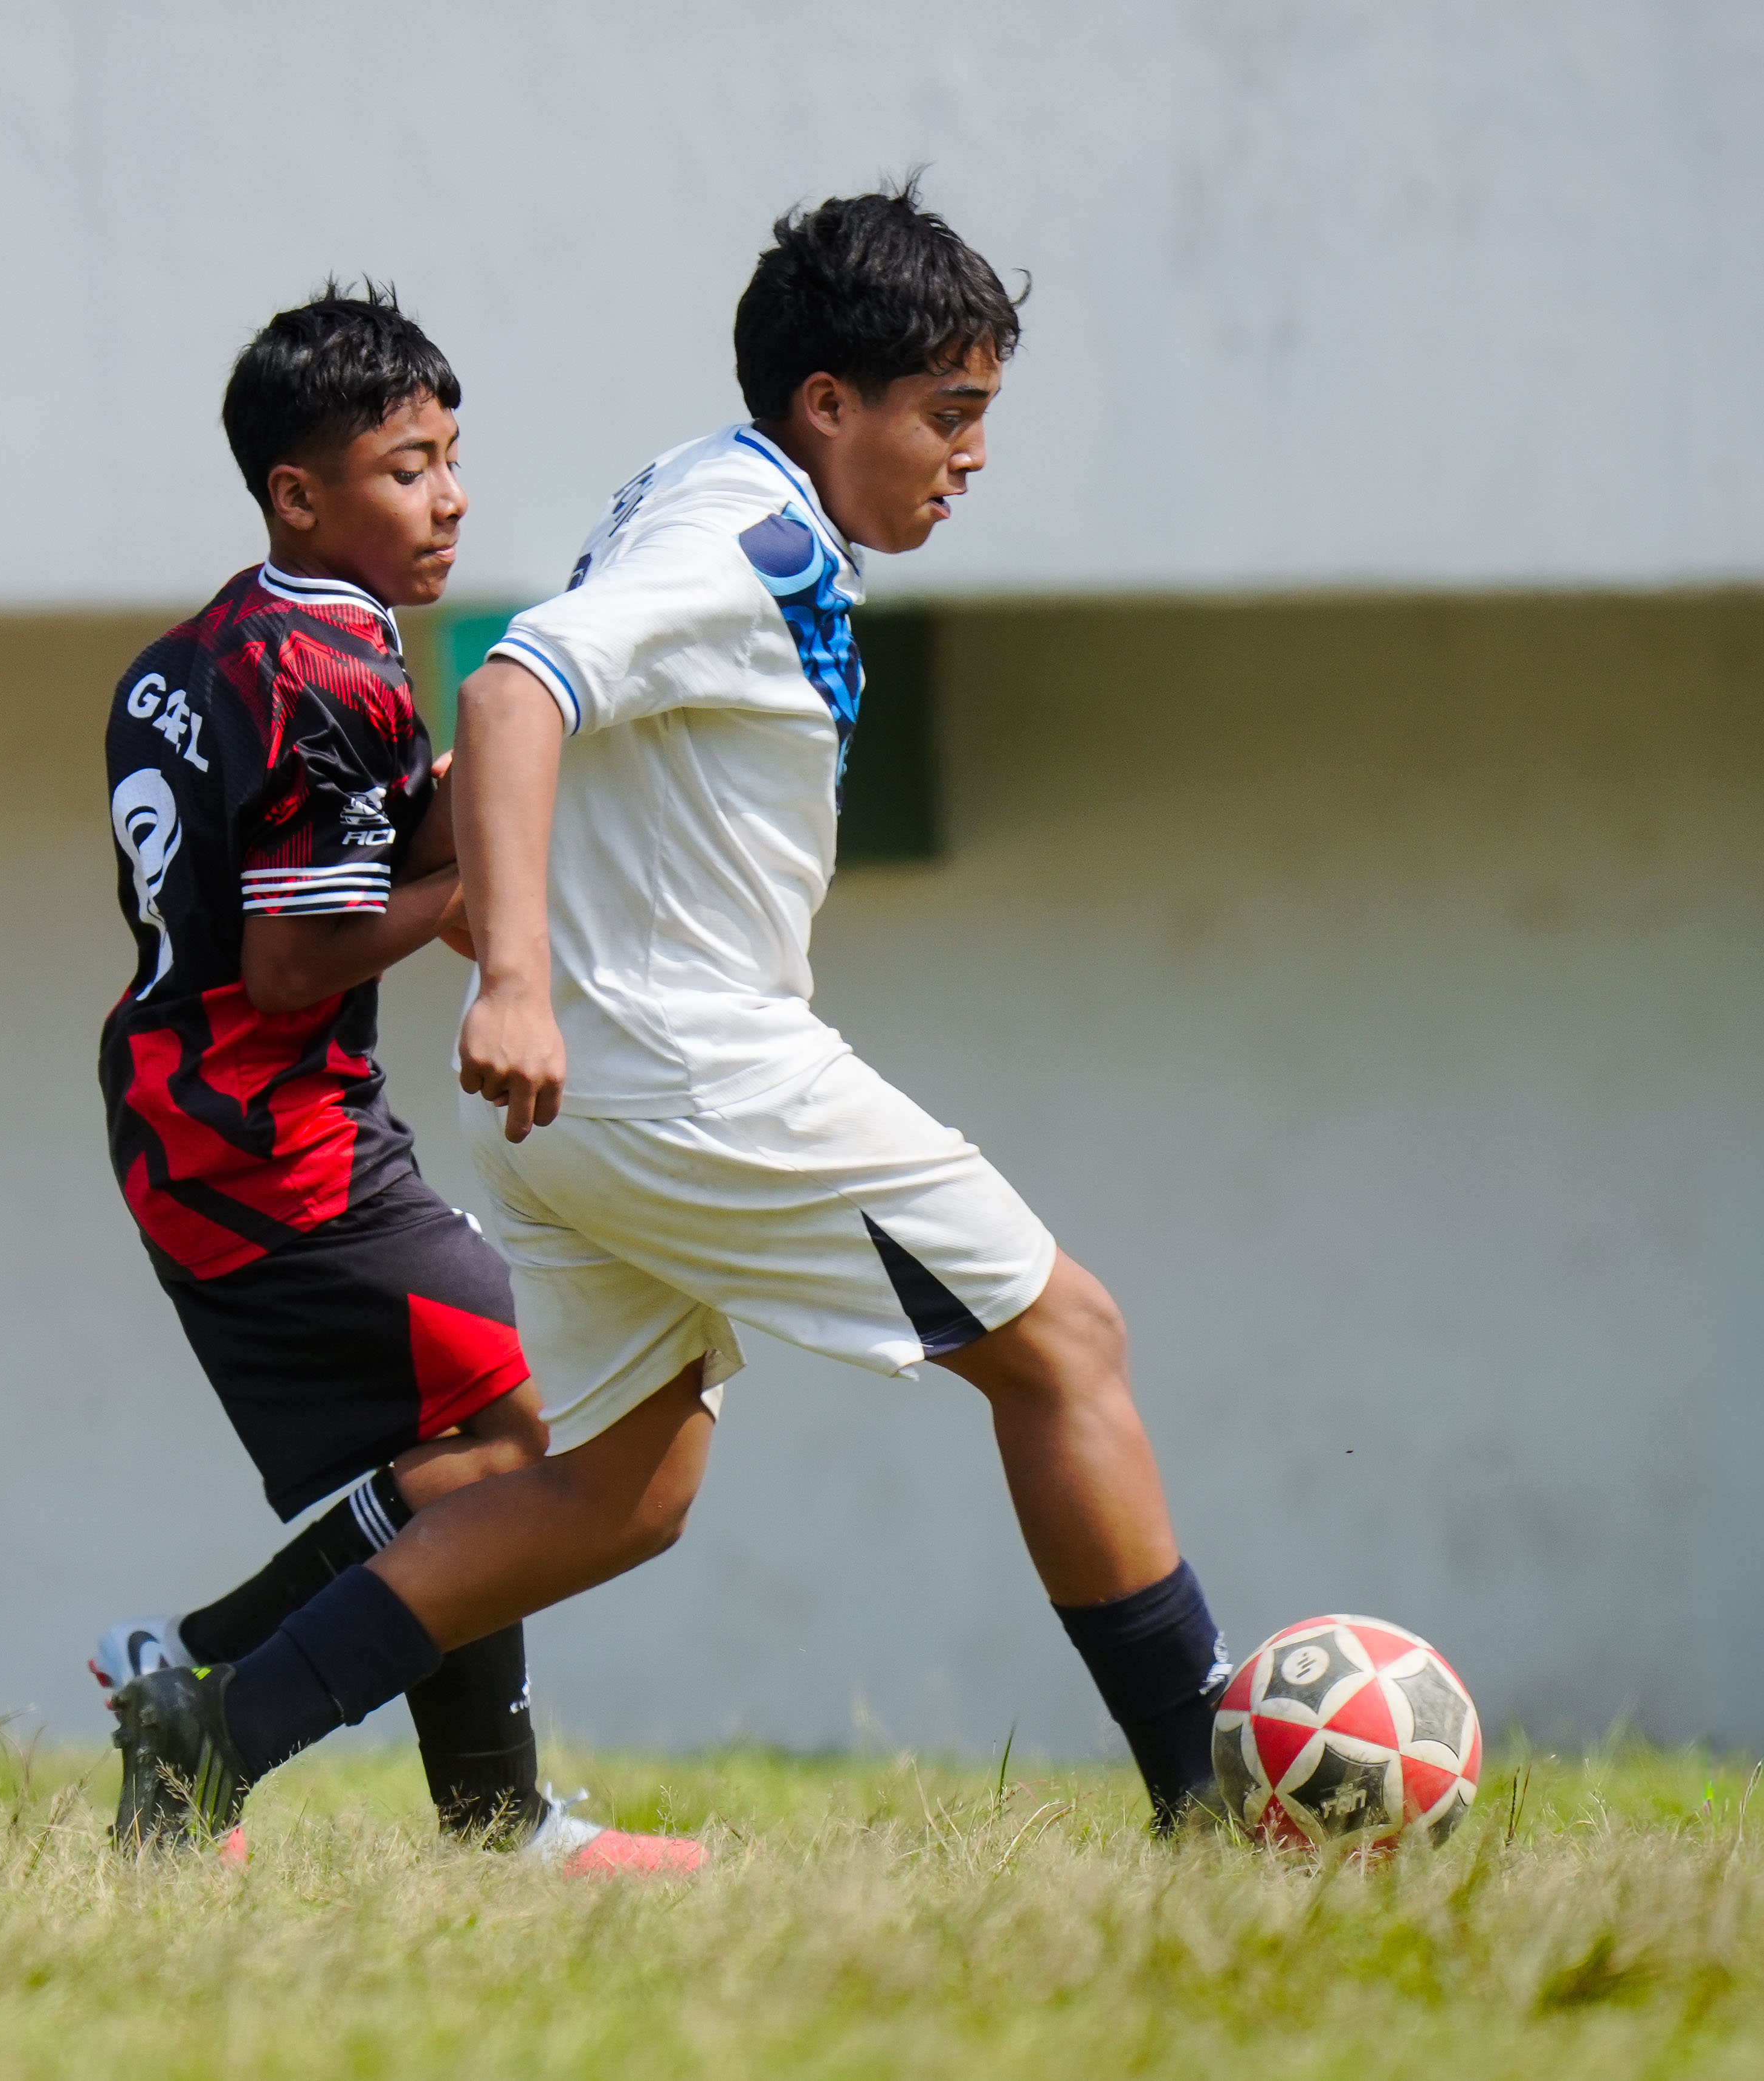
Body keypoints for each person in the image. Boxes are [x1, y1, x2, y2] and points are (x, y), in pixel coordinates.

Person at [108, 187, 1234, 1845]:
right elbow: (515, 684)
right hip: (696, 1073)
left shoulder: (704, 492)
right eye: (951, 413)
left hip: (588, 1113)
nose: (970, 455)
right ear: (829, 405)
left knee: (611, 1496)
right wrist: (514, 981)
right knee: (1069, 1349)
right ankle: (1208, 1799)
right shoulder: (747, 537)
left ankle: (217, 1730)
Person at [89, 283, 698, 1873]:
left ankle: (443, 1793)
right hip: (268, 1139)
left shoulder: (227, 643)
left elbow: (325, 856)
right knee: (539, 1444)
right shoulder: (328, 678)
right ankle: (230, 1696)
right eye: (411, 466)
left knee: (483, 1453)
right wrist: (499, 885)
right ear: (302, 493)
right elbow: (299, 958)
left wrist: (492, 780)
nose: (453, 495)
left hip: (211, 1117)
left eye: (451, 457)